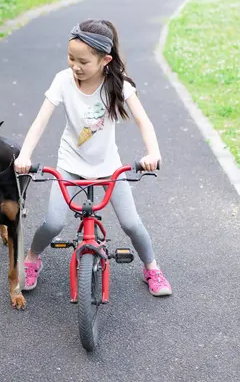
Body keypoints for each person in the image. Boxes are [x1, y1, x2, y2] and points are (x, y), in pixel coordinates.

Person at [13, 19, 172, 296]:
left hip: (108, 165)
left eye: (83, 62)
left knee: (131, 223)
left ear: (105, 60)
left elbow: (143, 121)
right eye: (71, 58)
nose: (75, 66)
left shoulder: (118, 84)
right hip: (70, 164)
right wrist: (25, 155)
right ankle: (31, 259)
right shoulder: (63, 80)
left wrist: (153, 153)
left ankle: (152, 268)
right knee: (53, 222)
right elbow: (40, 122)